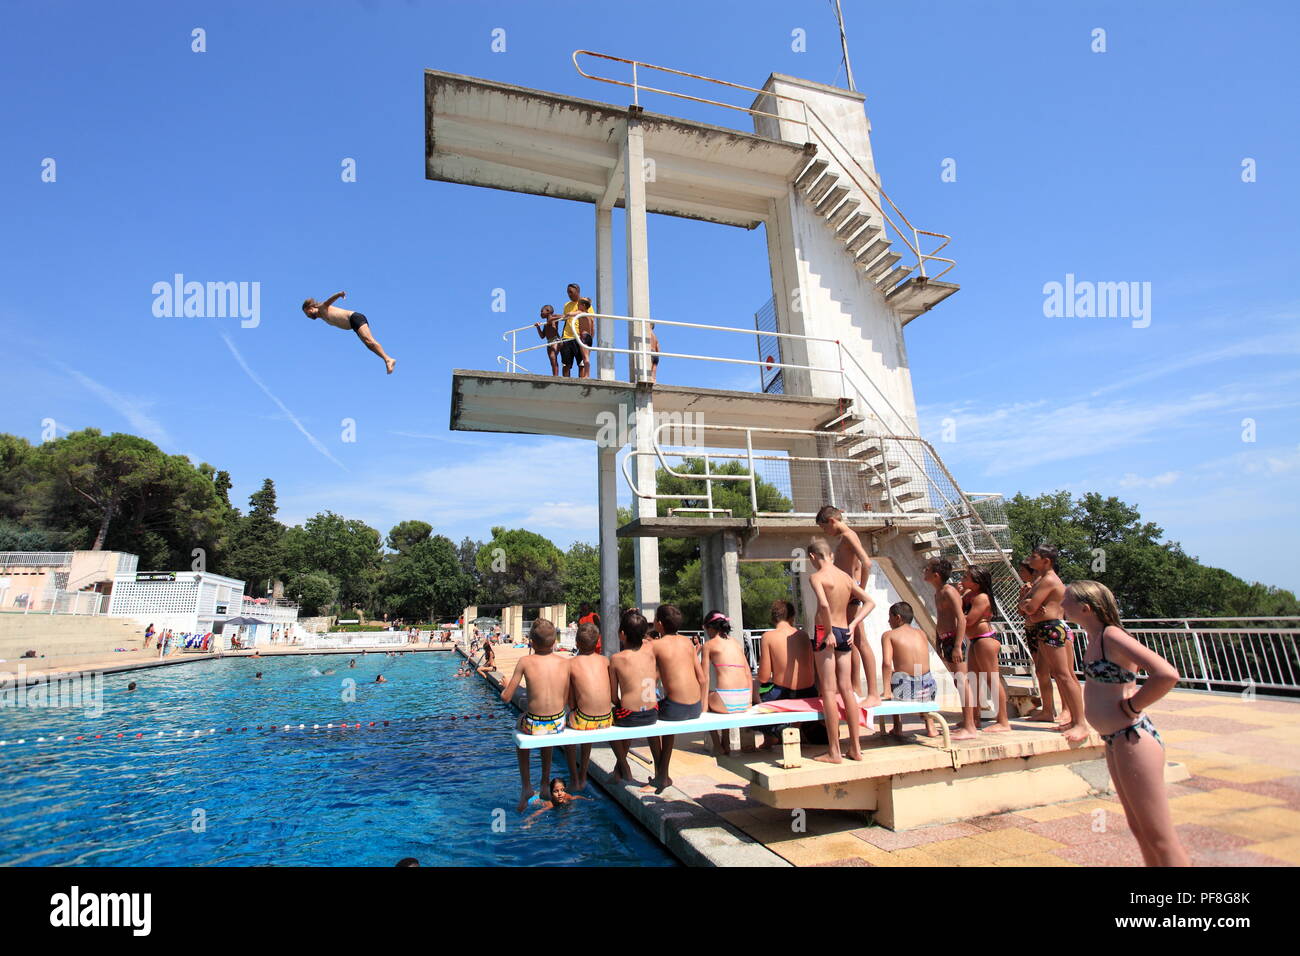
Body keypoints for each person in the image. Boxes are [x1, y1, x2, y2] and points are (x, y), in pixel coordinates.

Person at [1064, 580, 1187, 866]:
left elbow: (1166, 674)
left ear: (1085, 608)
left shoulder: (1112, 636)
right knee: (1139, 828)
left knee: (1160, 835)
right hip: (1114, 739)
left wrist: (1133, 705)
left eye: (1067, 600)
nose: (1062, 605)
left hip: (1133, 737)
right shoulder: (1094, 638)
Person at [807, 537, 872, 762]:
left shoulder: (816, 576)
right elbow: (870, 602)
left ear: (813, 557)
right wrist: (853, 625)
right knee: (847, 689)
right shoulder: (845, 577)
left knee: (828, 690)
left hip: (826, 631)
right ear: (831, 556)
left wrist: (828, 632)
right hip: (845, 630)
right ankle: (855, 747)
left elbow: (824, 604)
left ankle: (834, 751)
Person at [500, 619, 571, 811]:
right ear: (554, 642)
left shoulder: (525, 661)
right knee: (545, 727)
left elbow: (506, 698)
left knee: (520, 723)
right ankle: (544, 781)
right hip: (558, 723)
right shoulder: (565, 663)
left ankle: (526, 787)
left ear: (531, 641)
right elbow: (565, 699)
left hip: (535, 724)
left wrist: (506, 685)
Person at [815, 505, 882, 708]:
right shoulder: (844, 536)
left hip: (851, 595)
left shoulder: (849, 534)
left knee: (861, 642)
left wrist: (860, 589)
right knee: (851, 643)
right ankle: (856, 688)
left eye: (824, 528)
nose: (825, 532)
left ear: (832, 521)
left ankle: (873, 694)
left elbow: (866, 563)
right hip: (847, 594)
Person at [1021, 545, 1089, 742]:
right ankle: (1074, 718)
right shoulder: (1042, 580)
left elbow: (1030, 606)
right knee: (1062, 675)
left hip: (1051, 627)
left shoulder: (1048, 579)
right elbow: (1027, 607)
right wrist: (1028, 606)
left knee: (1064, 675)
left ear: (1046, 560)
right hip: (1048, 627)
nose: (1030, 560)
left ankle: (1080, 722)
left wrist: (1028, 605)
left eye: (1034, 557)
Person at [646, 604, 707, 793]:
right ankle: (663, 775)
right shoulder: (688, 643)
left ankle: (661, 775)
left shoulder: (655, 645)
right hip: (695, 707)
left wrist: (646, 703)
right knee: (667, 721)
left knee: (649, 722)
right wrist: (703, 707)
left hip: (675, 708)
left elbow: (649, 679)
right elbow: (702, 678)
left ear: (660, 624)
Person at [924, 557, 977, 740]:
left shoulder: (949, 591)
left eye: (927, 569)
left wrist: (957, 646)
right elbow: (940, 619)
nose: (925, 571)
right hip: (946, 639)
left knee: (962, 681)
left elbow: (961, 619)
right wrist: (938, 642)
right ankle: (967, 721)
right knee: (958, 682)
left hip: (954, 640)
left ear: (936, 575)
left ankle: (970, 726)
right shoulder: (938, 593)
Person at [608, 608, 659, 783]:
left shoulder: (617, 659)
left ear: (622, 634)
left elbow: (614, 697)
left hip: (630, 716)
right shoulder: (651, 651)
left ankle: (624, 766)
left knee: (611, 720)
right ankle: (656, 769)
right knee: (626, 712)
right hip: (652, 713)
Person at [879, 602, 941, 739]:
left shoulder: (889, 635)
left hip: (907, 691)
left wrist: (887, 691)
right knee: (922, 676)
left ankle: (897, 726)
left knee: (895, 675)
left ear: (898, 617)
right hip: (929, 689)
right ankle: (930, 727)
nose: (888, 620)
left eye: (890, 617)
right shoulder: (921, 633)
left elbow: (887, 664)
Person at [961, 565, 1011, 733]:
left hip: (985, 640)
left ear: (977, 582)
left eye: (967, 577)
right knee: (973, 680)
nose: (963, 578)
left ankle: (1003, 721)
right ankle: (974, 719)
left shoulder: (982, 598)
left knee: (991, 679)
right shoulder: (968, 595)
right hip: (975, 640)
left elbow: (969, 620)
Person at [565, 622, 613, 790]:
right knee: (585, 722)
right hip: (607, 719)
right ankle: (584, 774)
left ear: (577, 643)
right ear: (597, 641)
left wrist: (571, 709)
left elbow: (571, 701)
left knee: (568, 728)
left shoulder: (571, 663)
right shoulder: (605, 660)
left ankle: (574, 777)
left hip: (584, 720)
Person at [301, 290, 396, 374]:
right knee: (369, 344)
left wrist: (339, 294)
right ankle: (387, 359)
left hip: (354, 318)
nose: (307, 316)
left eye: (307, 313)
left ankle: (388, 359)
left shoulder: (321, 308)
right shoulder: (322, 317)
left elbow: (328, 301)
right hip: (353, 325)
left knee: (369, 340)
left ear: (311, 308)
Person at [700, 610, 751, 755]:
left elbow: (704, 678)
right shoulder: (736, 643)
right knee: (720, 694)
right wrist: (749, 702)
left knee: (707, 698)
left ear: (710, 627)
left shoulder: (709, 645)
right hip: (744, 700)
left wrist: (703, 707)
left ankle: (717, 745)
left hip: (724, 701)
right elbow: (747, 673)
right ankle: (726, 742)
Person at [520, 777, 592, 829]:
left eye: (562, 790)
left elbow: (577, 797)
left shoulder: (567, 796)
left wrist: (587, 799)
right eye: (556, 791)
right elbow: (538, 812)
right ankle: (535, 793)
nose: (560, 793)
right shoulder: (550, 805)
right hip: (535, 799)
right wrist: (529, 821)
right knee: (533, 797)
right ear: (551, 793)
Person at [558, 283, 585, 378]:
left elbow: (591, 319)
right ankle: (565, 383)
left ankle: (582, 384)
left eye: (571, 292)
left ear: (577, 291)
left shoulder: (584, 303)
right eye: (568, 292)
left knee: (581, 363)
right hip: (567, 337)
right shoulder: (566, 305)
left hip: (580, 337)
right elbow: (565, 319)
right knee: (566, 364)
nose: (569, 294)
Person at [534, 304, 562, 375]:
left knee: (553, 357)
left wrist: (551, 319)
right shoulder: (545, 324)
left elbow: (563, 316)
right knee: (552, 360)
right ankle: (554, 375)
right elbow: (542, 336)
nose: (540, 313)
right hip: (549, 342)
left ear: (548, 311)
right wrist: (538, 327)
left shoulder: (554, 317)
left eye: (541, 311)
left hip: (556, 340)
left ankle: (556, 376)